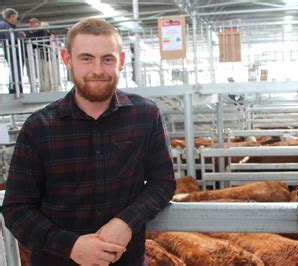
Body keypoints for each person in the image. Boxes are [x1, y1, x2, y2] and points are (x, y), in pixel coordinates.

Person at [2, 18, 176, 265]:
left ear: (122, 61)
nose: (98, 70)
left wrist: (127, 221)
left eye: (108, 59)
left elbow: (163, 182)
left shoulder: (145, 115)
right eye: (86, 58)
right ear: (67, 59)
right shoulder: (38, 128)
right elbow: (16, 209)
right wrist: (71, 246)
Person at [0, 8, 25, 94]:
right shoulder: (4, 25)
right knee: (15, 69)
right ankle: (15, 89)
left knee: (16, 70)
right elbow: (11, 38)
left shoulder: (9, 26)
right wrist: (19, 36)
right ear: (11, 16)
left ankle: (16, 88)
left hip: (15, 52)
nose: (16, 19)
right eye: (15, 17)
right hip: (12, 52)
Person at [25, 17, 53, 91]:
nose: (30, 25)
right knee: (31, 73)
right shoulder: (28, 33)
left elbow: (41, 42)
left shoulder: (41, 31)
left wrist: (30, 41)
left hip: (41, 56)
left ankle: (44, 89)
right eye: (30, 23)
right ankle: (33, 88)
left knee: (43, 73)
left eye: (32, 23)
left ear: (37, 24)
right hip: (31, 56)